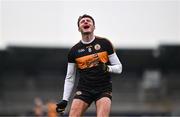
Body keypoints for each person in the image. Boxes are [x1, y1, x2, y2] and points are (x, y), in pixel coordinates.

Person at [56, 14, 122, 117]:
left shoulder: (105, 43)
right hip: (84, 89)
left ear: (94, 26)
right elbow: (70, 77)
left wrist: (107, 68)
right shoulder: (74, 51)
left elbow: (119, 68)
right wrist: (64, 100)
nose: (86, 22)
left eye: (88, 21)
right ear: (79, 28)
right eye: (82, 21)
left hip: (103, 89)